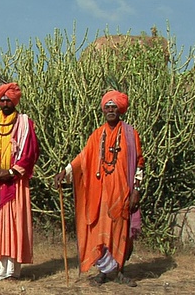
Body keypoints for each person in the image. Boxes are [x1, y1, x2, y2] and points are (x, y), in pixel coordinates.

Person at [54, 89, 144, 287]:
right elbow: (83, 157)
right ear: (103, 111)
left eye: (114, 107)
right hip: (100, 194)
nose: (110, 110)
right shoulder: (97, 135)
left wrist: (136, 190)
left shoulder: (130, 134)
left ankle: (118, 272)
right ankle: (103, 272)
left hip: (122, 193)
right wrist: (65, 172)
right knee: (99, 231)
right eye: (107, 107)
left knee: (119, 232)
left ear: (120, 110)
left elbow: (139, 163)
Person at [0, 82, 40, 281]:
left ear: (14, 101)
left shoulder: (25, 123)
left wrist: (13, 171)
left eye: (8, 99)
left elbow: (30, 152)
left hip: (16, 182)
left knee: (15, 222)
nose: (5, 102)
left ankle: (12, 271)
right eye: (2, 99)